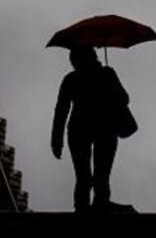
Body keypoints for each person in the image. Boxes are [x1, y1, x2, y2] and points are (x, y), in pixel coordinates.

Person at [51, 47, 130, 213]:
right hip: (105, 127)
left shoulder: (71, 79)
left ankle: (83, 208)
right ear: (94, 57)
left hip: (80, 129)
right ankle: (99, 204)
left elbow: (61, 111)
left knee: (83, 176)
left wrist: (56, 140)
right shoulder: (107, 74)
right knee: (101, 174)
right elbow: (124, 98)